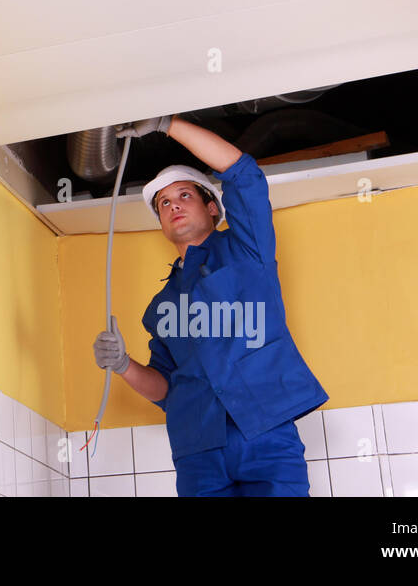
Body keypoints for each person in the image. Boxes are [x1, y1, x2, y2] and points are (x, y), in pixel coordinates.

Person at [92, 115, 328, 496]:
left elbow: (243, 173)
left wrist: (166, 123)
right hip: (197, 450)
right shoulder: (161, 307)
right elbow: (165, 389)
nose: (173, 206)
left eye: (184, 195)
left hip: (265, 434)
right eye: (163, 203)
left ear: (213, 209)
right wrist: (123, 365)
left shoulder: (247, 251)